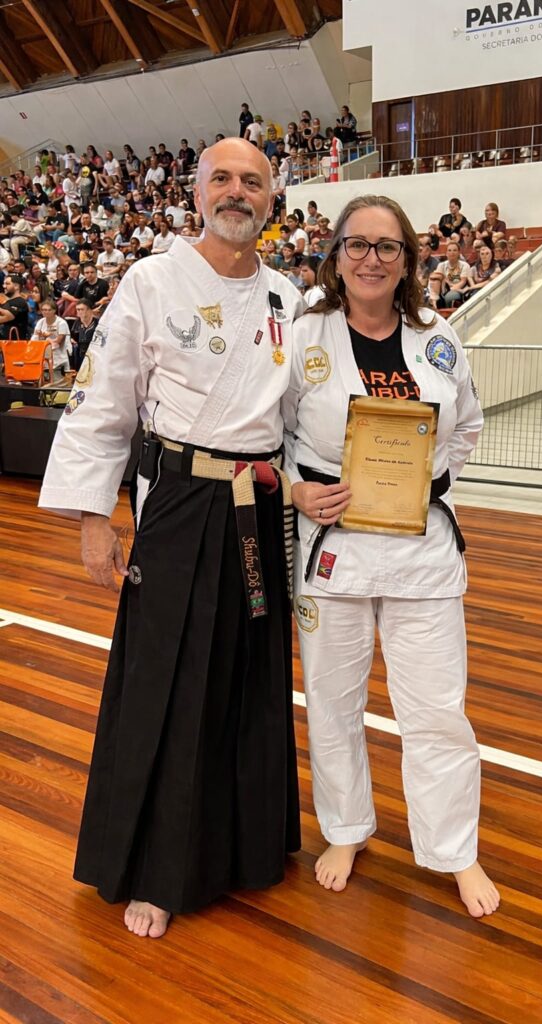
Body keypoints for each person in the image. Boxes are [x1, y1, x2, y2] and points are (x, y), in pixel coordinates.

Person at [38, 137, 304, 940]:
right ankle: (157, 868)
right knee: (167, 682)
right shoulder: (151, 281)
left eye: (251, 181)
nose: (236, 192)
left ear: (270, 200)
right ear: (196, 195)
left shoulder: (289, 298)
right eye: (221, 179)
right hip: (179, 503)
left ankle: (249, 848)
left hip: (260, 503)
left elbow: (304, 417)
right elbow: (104, 398)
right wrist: (94, 517)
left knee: (250, 676)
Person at [282, 194, 500, 919]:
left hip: (421, 549)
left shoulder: (437, 336)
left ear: (407, 259)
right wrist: (295, 489)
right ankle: (345, 830)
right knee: (333, 703)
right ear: (336, 255)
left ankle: (454, 848)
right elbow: (269, 430)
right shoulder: (304, 334)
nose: (371, 259)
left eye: (387, 246)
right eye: (357, 244)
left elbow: (467, 423)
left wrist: (431, 481)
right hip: (333, 546)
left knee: (436, 709)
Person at [32, 298, 71, 377]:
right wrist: (39, 337)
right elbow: (34, 340)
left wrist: (46, 337)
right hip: (43, 358)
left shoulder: (61, 323)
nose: (46, 312)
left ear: (54, 310)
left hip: (58, 358)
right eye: (44, 310)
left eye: (49, 310)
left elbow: (58, 341)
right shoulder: (40, 322)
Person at [0, 274, 29, 339]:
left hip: (16, 342)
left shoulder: (20, 302)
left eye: (7, 284)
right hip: (4, 341)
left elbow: (9, 317)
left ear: (16, 286)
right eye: (4, 284)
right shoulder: (7, 302)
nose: (4, 286)